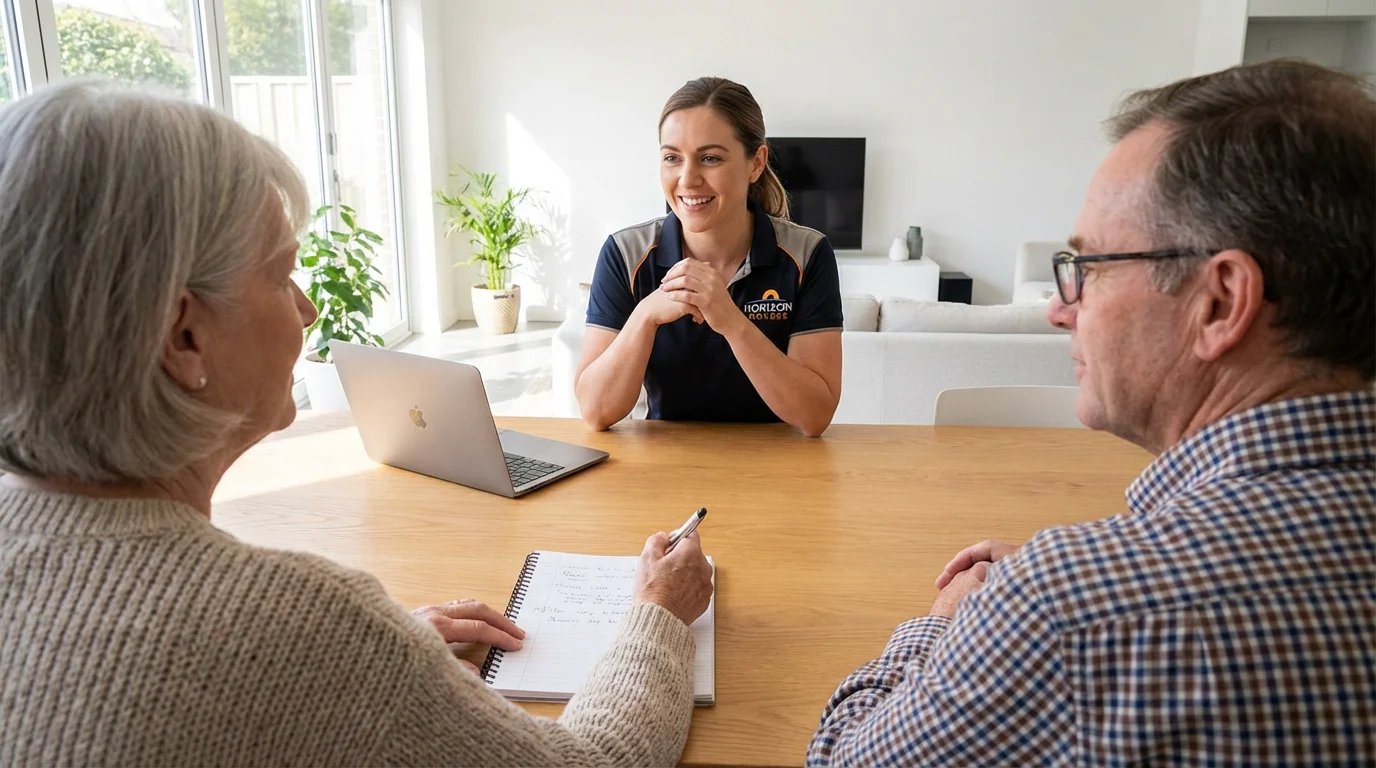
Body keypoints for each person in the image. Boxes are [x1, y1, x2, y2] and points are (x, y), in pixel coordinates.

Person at [0, 82, 715, 767]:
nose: (308, 310)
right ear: (185, 338)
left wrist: (376, 667)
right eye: (283, 276)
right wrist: (658, 616)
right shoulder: (295, 625)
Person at [808, 59, 1374, 765]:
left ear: (1222, 300)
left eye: (1089, 269)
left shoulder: (1066, 612)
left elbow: (841, 758)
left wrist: (957, 623)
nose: (1057, 308)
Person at [576, 77, 843, 436]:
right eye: (672, 157)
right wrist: (645, 316)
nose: (687, 179)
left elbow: (814, 417)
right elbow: (596, 412)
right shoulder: (625, 253)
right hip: (663, 469)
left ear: (756, 163)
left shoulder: (807, 254)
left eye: (710, 158)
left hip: (778, 470)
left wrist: (730, 321)